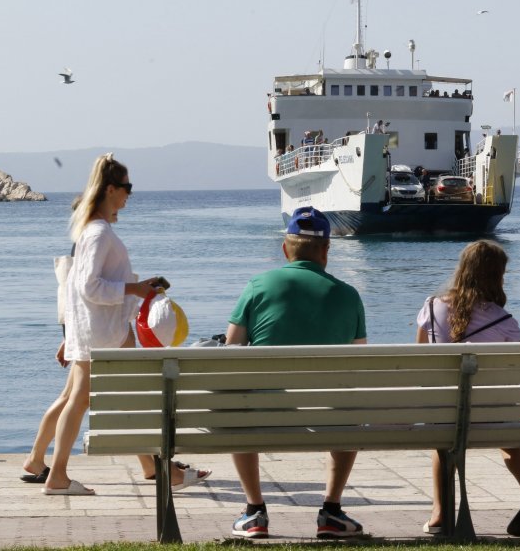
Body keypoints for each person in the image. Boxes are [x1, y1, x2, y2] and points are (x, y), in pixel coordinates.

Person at [41, 153, 208, 495]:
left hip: (102, 330)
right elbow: (89, 287)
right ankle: (57, 475)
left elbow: (82, 286)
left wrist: (137, 288)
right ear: (112, 189)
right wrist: (133, 288)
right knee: (85, 400)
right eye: (127, 187)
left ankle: (154, 467)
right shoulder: (99, 233)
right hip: (103, 334)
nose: (130, 194)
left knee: (116, 399)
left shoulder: (93, 230)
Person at [225, 206, 367, 539]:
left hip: (264, 415)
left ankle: (254, 511)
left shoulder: (258, 285)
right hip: (330, 419)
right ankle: (331, 511)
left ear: (285, 249)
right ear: (327, 251)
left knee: (237, 405)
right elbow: (359, 361)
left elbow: (231, 351)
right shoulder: (349, 295)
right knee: (350, 406)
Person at [416, 241, 520, 537]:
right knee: (507, 424)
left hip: (445, 416)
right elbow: (511, 376)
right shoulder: (506, 323)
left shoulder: (430, 306)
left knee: (443, 439)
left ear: (462, 270)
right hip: (491, 415)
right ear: (497, 277)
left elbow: (421, 361)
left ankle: (439, 514)